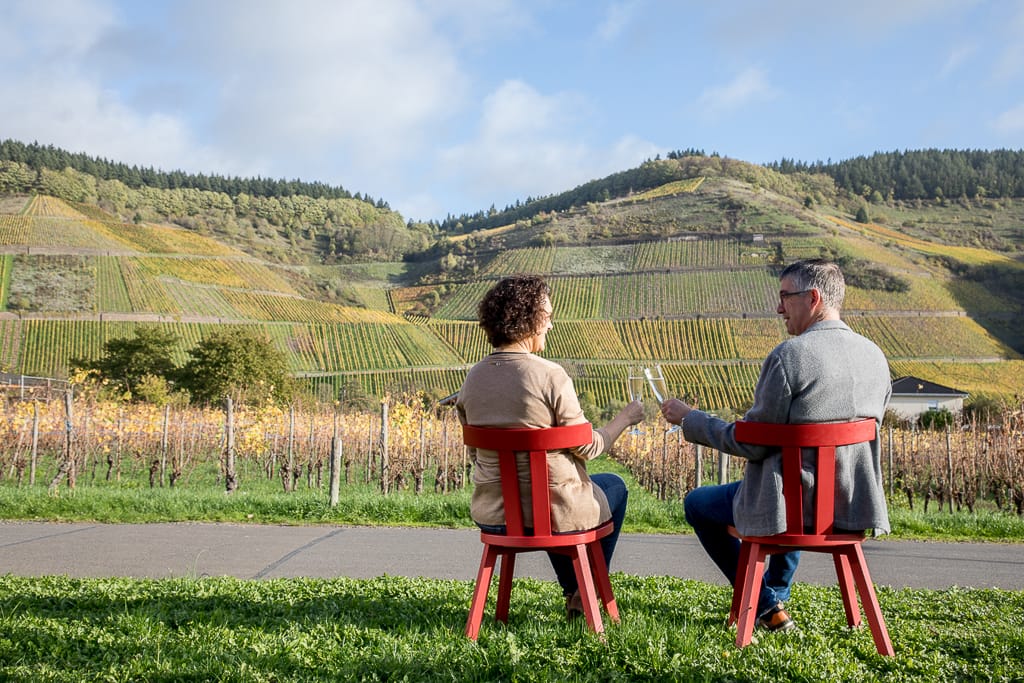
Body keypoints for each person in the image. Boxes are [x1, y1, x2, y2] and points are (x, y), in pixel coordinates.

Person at [660, 258, 891, 632]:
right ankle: (776, 596)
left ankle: (765, 603)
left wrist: (692, 419)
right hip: (850, 507)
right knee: (794, 477)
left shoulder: (790, 356)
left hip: (791, 508)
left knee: (698, 503)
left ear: (813, 298)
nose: (779, 307)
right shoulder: (875, 357)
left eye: (785, 297)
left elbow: (753, 442)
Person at [456, 275, 644, 618]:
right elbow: (588, 448)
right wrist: (625, 419)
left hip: (495, 516)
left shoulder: (473, 379)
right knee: (611, 486)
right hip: (555, 514)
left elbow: (476, 455)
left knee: (549, 499)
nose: (551, 325)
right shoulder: (550, 376)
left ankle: (575, 593)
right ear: (528, 319)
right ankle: (582, 591)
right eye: (547, 316)